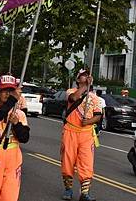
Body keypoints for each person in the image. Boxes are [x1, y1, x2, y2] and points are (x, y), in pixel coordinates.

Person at [60, 69, 102, 201]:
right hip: (70, 132)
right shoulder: (71, 91)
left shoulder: (94, 98)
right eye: (84, 76)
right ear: (78, 80)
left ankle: (84, 193)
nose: (87, 77)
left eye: (88, 75)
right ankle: (68, 189)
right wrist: (85, 86)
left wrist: (89, 121)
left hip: (86, 134)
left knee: (86, 163)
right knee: (68, 162)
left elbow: (98, 115)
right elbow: (73, 98)